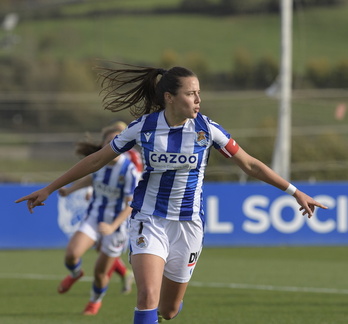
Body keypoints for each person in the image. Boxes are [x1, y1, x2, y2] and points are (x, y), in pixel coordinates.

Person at [15, 63, 328, 324]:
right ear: (170, 97)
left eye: (198, 93)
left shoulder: (208, 129)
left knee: (168, 310)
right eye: (191, 94)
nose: (198, 99)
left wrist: (295, 191)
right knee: (146, 296)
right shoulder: (144, 128)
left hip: (189, 225)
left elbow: (250, 165)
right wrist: (49, 188)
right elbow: (97, 159)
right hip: (148, 219)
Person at [56, 125, 139, 315]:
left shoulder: (128, 170)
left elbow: (130, 205)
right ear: (103, 144)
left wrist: (112, 227)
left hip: (116, 227)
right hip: (94, 217)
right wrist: (70, 190)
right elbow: (91, 179)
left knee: (100, 273)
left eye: (117, 140)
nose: (113, 144)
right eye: (109, 141)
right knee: (71, 254)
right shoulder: (98, 163)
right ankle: (76, 273)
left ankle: (95, 301)